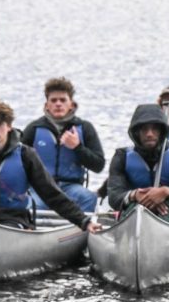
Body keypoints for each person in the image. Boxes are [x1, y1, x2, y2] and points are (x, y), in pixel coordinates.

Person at [0, 98, 102, 233]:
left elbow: (51, 194)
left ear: (9, 126)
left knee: (7, 230)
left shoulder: (26, 155)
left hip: (15, 220)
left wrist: (84, 221)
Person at [19, 77, 105, 212]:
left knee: (88, 198)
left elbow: (99, 165)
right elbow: (16, 162)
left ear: (71, 104)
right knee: (32, 204)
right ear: (46, 105)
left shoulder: (85, 128)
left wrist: (78, 147)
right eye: (53, 100)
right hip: (41, 188)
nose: (58, 104)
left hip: (71, 187)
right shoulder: (33, 129)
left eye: (63, 100)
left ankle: (81, 230)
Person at [105, 104, 169, 228]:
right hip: (135, 207)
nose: (149, 134)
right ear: (136, 133)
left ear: (162, 131)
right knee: (136, 211)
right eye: (144, 129)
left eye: (155, 129)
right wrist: (136, 195)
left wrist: (165, 192)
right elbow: (114, 196)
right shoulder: (121, 156)